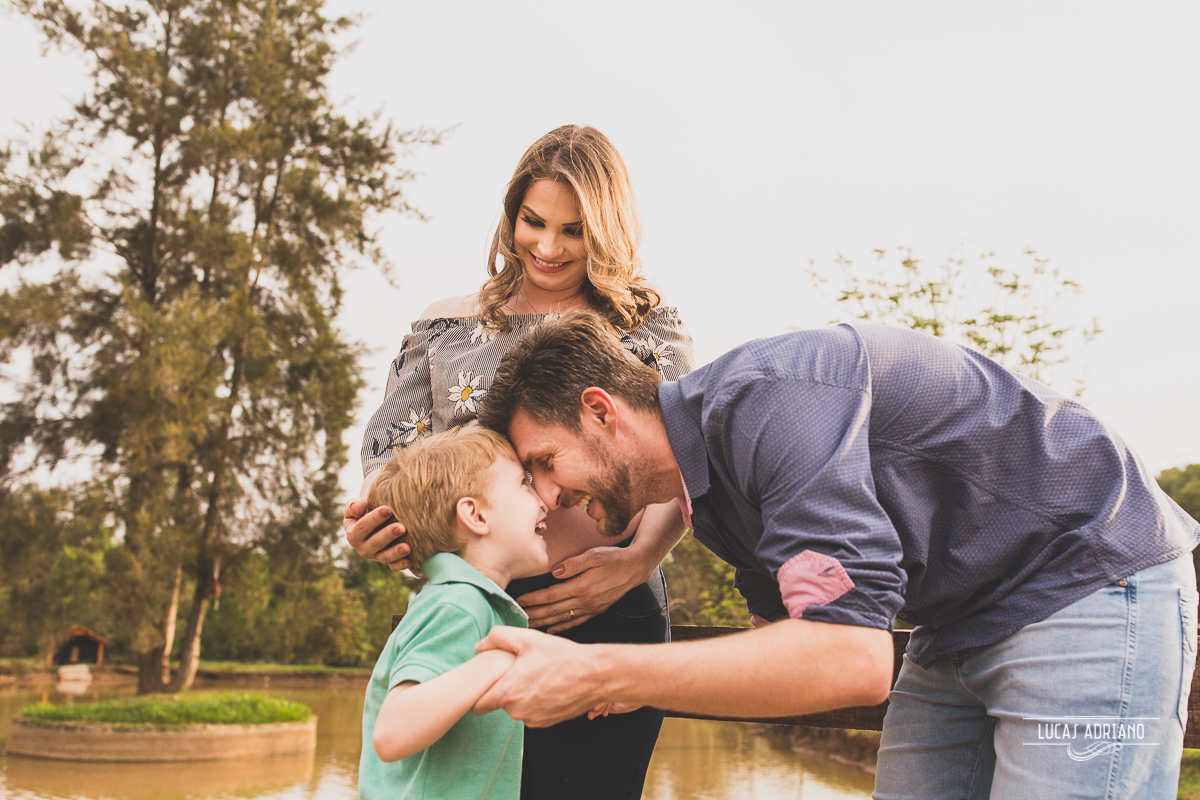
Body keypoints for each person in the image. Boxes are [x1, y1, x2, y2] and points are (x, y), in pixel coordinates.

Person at [472, 311, 1200, 800]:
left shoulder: (772, 404)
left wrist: (601, 668)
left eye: (543, 462)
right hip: (962, 618)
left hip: (1086, 577)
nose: (544, 496)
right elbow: (790, 666)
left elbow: (850, 659)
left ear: (601, 410)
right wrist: (636, 683)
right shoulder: (713, 496)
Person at [343, 125, 695, 799]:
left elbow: (683, 461)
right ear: (510, 217)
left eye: (574, 230)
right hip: (481, 611)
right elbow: (391, 459)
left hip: (616, 609)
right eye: (534, 222)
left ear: (608, 229)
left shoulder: (648, 326)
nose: (548, 246)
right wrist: (377, 523)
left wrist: (635, 564)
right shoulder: (442, 329)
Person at [359, 426, 549, 800]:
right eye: (524, 484)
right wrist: (502, 658)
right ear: (475, 515)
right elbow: (392, 731)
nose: (541, 499)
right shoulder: (461, 605)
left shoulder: (465, 602)